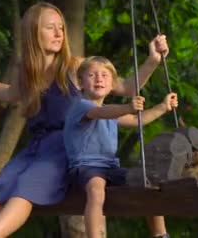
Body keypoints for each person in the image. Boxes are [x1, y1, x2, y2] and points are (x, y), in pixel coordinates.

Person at [0, 1, 169, 238]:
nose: (59, 33)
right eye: (51, 27)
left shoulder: (74, 67)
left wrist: (153, 60)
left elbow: (127, 87)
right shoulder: (29, 73)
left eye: (61, 27)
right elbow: (8, 93)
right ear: (33, 33)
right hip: (36, 148)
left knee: (25, 188)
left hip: (65, 147)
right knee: (0, 186)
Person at [64, 56, 177, 238]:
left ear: (112, 85)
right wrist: (127, 107)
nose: (99, 79)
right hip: (86, 167)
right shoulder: (81, 106)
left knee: (146, 181)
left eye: (104, 76)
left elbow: (135, 120)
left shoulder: (111, 111)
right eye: (92, 75)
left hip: (110, 167)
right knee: (96, 190)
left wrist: (163, 107)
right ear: (80, 83)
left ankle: (160, 234)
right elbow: (100, 113)